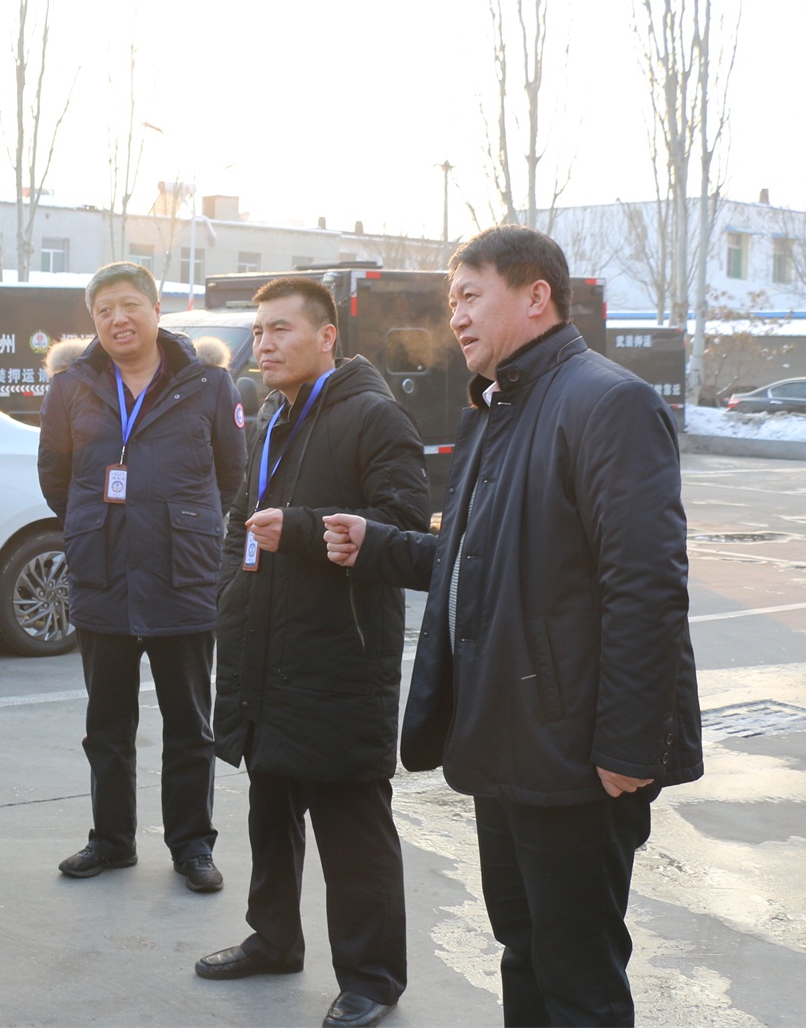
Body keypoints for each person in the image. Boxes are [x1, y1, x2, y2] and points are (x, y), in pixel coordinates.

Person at [322, 226, 702, 1027]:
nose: (454, 316)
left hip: (574, 753)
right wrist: (378, 544)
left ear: (536, 296)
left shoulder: (607, 402)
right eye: (449, 301)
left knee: (577, 977)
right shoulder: (499, 408)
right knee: (523, 950)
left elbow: (646, 586)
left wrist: (628, 746)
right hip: (502, 734)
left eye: (469, 295)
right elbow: (481, 557)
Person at [196, 277, 427, 1028]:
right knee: (270, 812)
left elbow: (402, 529)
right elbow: (240, 519)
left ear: (327, 336)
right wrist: (230, 594)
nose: (263, 344)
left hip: (338, 660)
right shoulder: (272, 415)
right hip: (265, 650)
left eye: (281, 329)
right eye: (259, 330)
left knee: (352, 828)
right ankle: (273, 939)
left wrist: (298, 529)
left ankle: (371, 978)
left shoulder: (373, 417)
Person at [38, 261, 246, 892]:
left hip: (182, 574)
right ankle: (111, 841)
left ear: (157, 311)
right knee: (106, 725)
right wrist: (92, 523)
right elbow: (56, 477)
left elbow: (231, 474)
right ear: (93, 321)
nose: (118, 319)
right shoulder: (72, 387)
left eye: (130, 305)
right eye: (104, 311)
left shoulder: (208, 384)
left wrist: (188, 525)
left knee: (189, 724)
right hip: (102, 572)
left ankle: (192, 847)